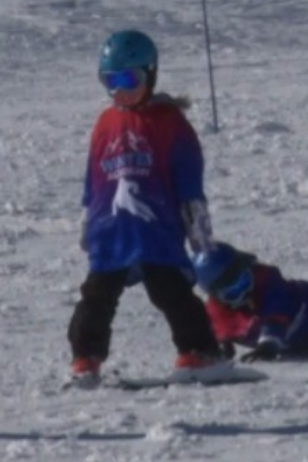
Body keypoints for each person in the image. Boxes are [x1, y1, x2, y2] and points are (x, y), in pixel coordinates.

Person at [68, 29, 227, 386]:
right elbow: (94, 176)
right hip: (112, 229)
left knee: (169, 290)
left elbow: (188, 176)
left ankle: (198, 351)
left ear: (150, 75)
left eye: (129, 80)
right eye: (110, 82)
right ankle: (85, 358)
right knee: (96, 296)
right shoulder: (105, 122)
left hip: (155, 228)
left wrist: (197, 223)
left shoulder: (170, 123)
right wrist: (88, 218)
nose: (119, 91)